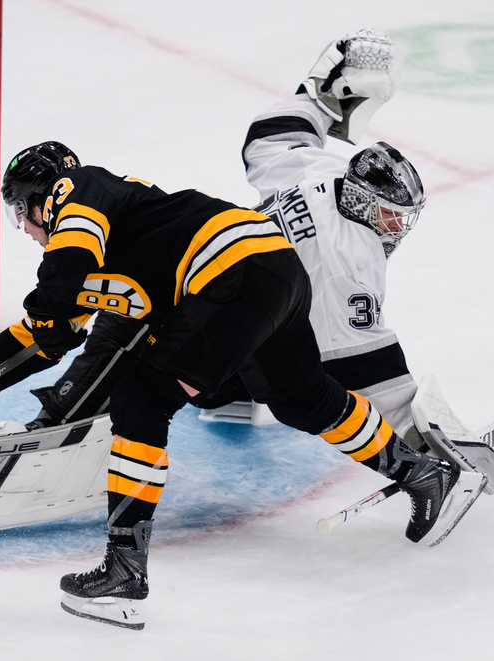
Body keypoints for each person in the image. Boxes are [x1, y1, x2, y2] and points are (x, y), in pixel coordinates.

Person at [0, 124, 458, 628]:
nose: (22, 229)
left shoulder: (80, 190)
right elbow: (44, 336)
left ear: (42, 199)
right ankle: (420, 473)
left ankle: (124, 571)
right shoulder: (107, 237)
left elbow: (64, 274)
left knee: (141, 398)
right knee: (303, 398)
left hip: (232, 277)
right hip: (273, 272)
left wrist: (48, 302)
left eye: (20, 214)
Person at [29, 28, 421, 443]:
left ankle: (70, 414)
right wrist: (419, 435)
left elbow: (272, 134)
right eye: (389, 217)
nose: (394, 227)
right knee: (140, 341)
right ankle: (65, 419)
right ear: (361, 201)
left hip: (216, 276)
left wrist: (322, 94)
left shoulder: (317, 172)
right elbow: (368, 369)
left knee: (135, 323)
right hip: (232, 310)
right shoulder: (352, 261)